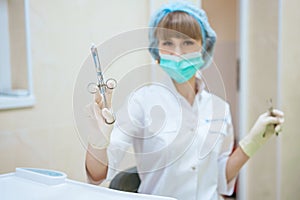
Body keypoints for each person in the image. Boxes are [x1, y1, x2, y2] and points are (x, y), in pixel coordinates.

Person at [84, 1, 285, 200]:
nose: (178, 53)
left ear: (204, 47)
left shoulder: (219, 109)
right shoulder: (141, 102)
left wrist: (252, 143)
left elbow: (221, 178)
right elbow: (98, 174)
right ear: (157, 51)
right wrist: (97, 143)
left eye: (188, 42)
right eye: (168, 43)